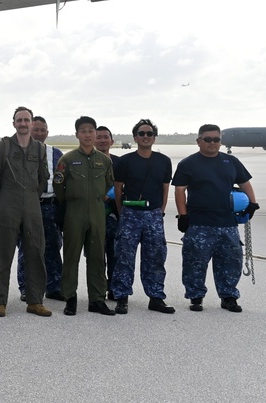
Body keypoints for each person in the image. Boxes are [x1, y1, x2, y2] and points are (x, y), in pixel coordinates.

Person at [173, 124, 259, 313]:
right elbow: (180, 190)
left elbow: (244, 183)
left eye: (216, 139)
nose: (212, 143)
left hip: (227, 223)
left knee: (230, 262)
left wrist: (252, 203)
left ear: (220, 141)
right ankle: (196, 297)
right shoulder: (188, 163)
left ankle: (228, 297)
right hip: (198, 223)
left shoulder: (231, 162)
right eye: (208, 139)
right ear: (199, 141)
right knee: (194, 263)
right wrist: (183, 215)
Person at [0, 107, 52, 318]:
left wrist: (32, 196)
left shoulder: (39, 149)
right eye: (19, 120)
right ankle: (0, 301)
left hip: (32, 205)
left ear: (32, 123)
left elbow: (44, 177)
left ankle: (35, 301)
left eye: (26, 120)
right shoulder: (3, 147)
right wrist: (2, 202)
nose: (23, 123)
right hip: (8, 203)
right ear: (13, 123)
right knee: (4, 253)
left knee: (35, 253)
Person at [110, 119, 175, 314]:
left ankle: (155, 297)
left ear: (154, 137)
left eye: (149, 133)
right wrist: (122, 212)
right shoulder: (125, 161)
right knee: (124, 256)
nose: (145, 137)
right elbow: (118, 189)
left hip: (154, 214)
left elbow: (165, 189)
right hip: (130, 214)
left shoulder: (164, 161)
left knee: (155, 257)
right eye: (141, 133)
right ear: (135, 137)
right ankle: (122, 297)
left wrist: (160, 210)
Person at [54, 116, 116, 316]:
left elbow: (108, 184)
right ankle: (70, 298)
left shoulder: (104, 160)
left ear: (95, 133)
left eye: (91, 131)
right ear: (77, 134)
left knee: (97, 256)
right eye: (83, 131)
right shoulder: (68, 159)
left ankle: (97, 299)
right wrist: (73, 202)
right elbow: (59, 186)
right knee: (71, 256)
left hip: (97, 212)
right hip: (74, 211)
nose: (87, 135)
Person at [17, 116, 64, 300]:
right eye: (35, 129)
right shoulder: (18, 152)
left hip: (50, 206)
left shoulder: (56, 153)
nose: (39, 133)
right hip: (28, 206)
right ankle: (26, 287)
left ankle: (54, 287)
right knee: (26, 248)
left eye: (42, 130)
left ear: (47, 132)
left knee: (53, 247)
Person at [96, 124, 121, 297]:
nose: (103, 140)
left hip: (115, 216)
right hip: (95, 215)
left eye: (106, 137)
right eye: (99, 137)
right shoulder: (87, 161)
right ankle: (98, 289)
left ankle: (114, 288)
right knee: (96, 256)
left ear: (111, 141)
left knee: (115, 255)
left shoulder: (120, 163)